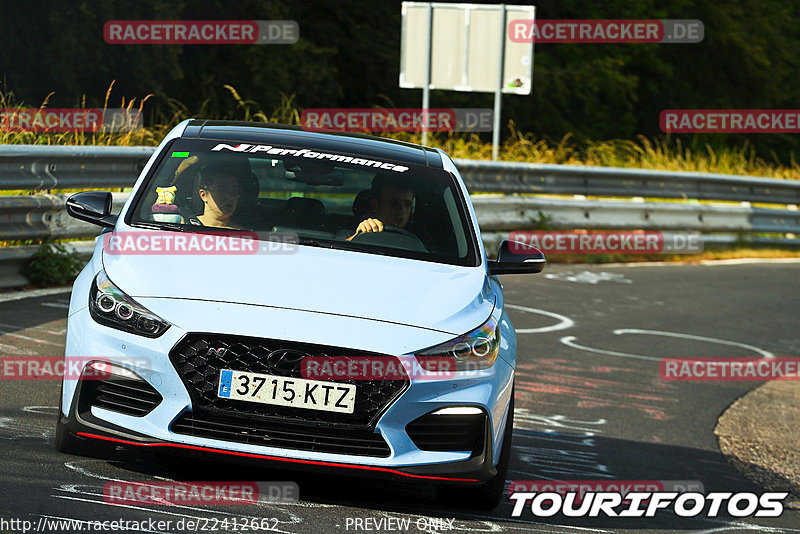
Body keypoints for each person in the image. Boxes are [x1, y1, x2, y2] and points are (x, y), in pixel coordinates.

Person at [346, 175, 415, 241]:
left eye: (407, 204)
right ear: (375, 206)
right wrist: (359, 236)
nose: (401, 210)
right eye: (392, 203)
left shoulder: (418, 241)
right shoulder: (347, 233)